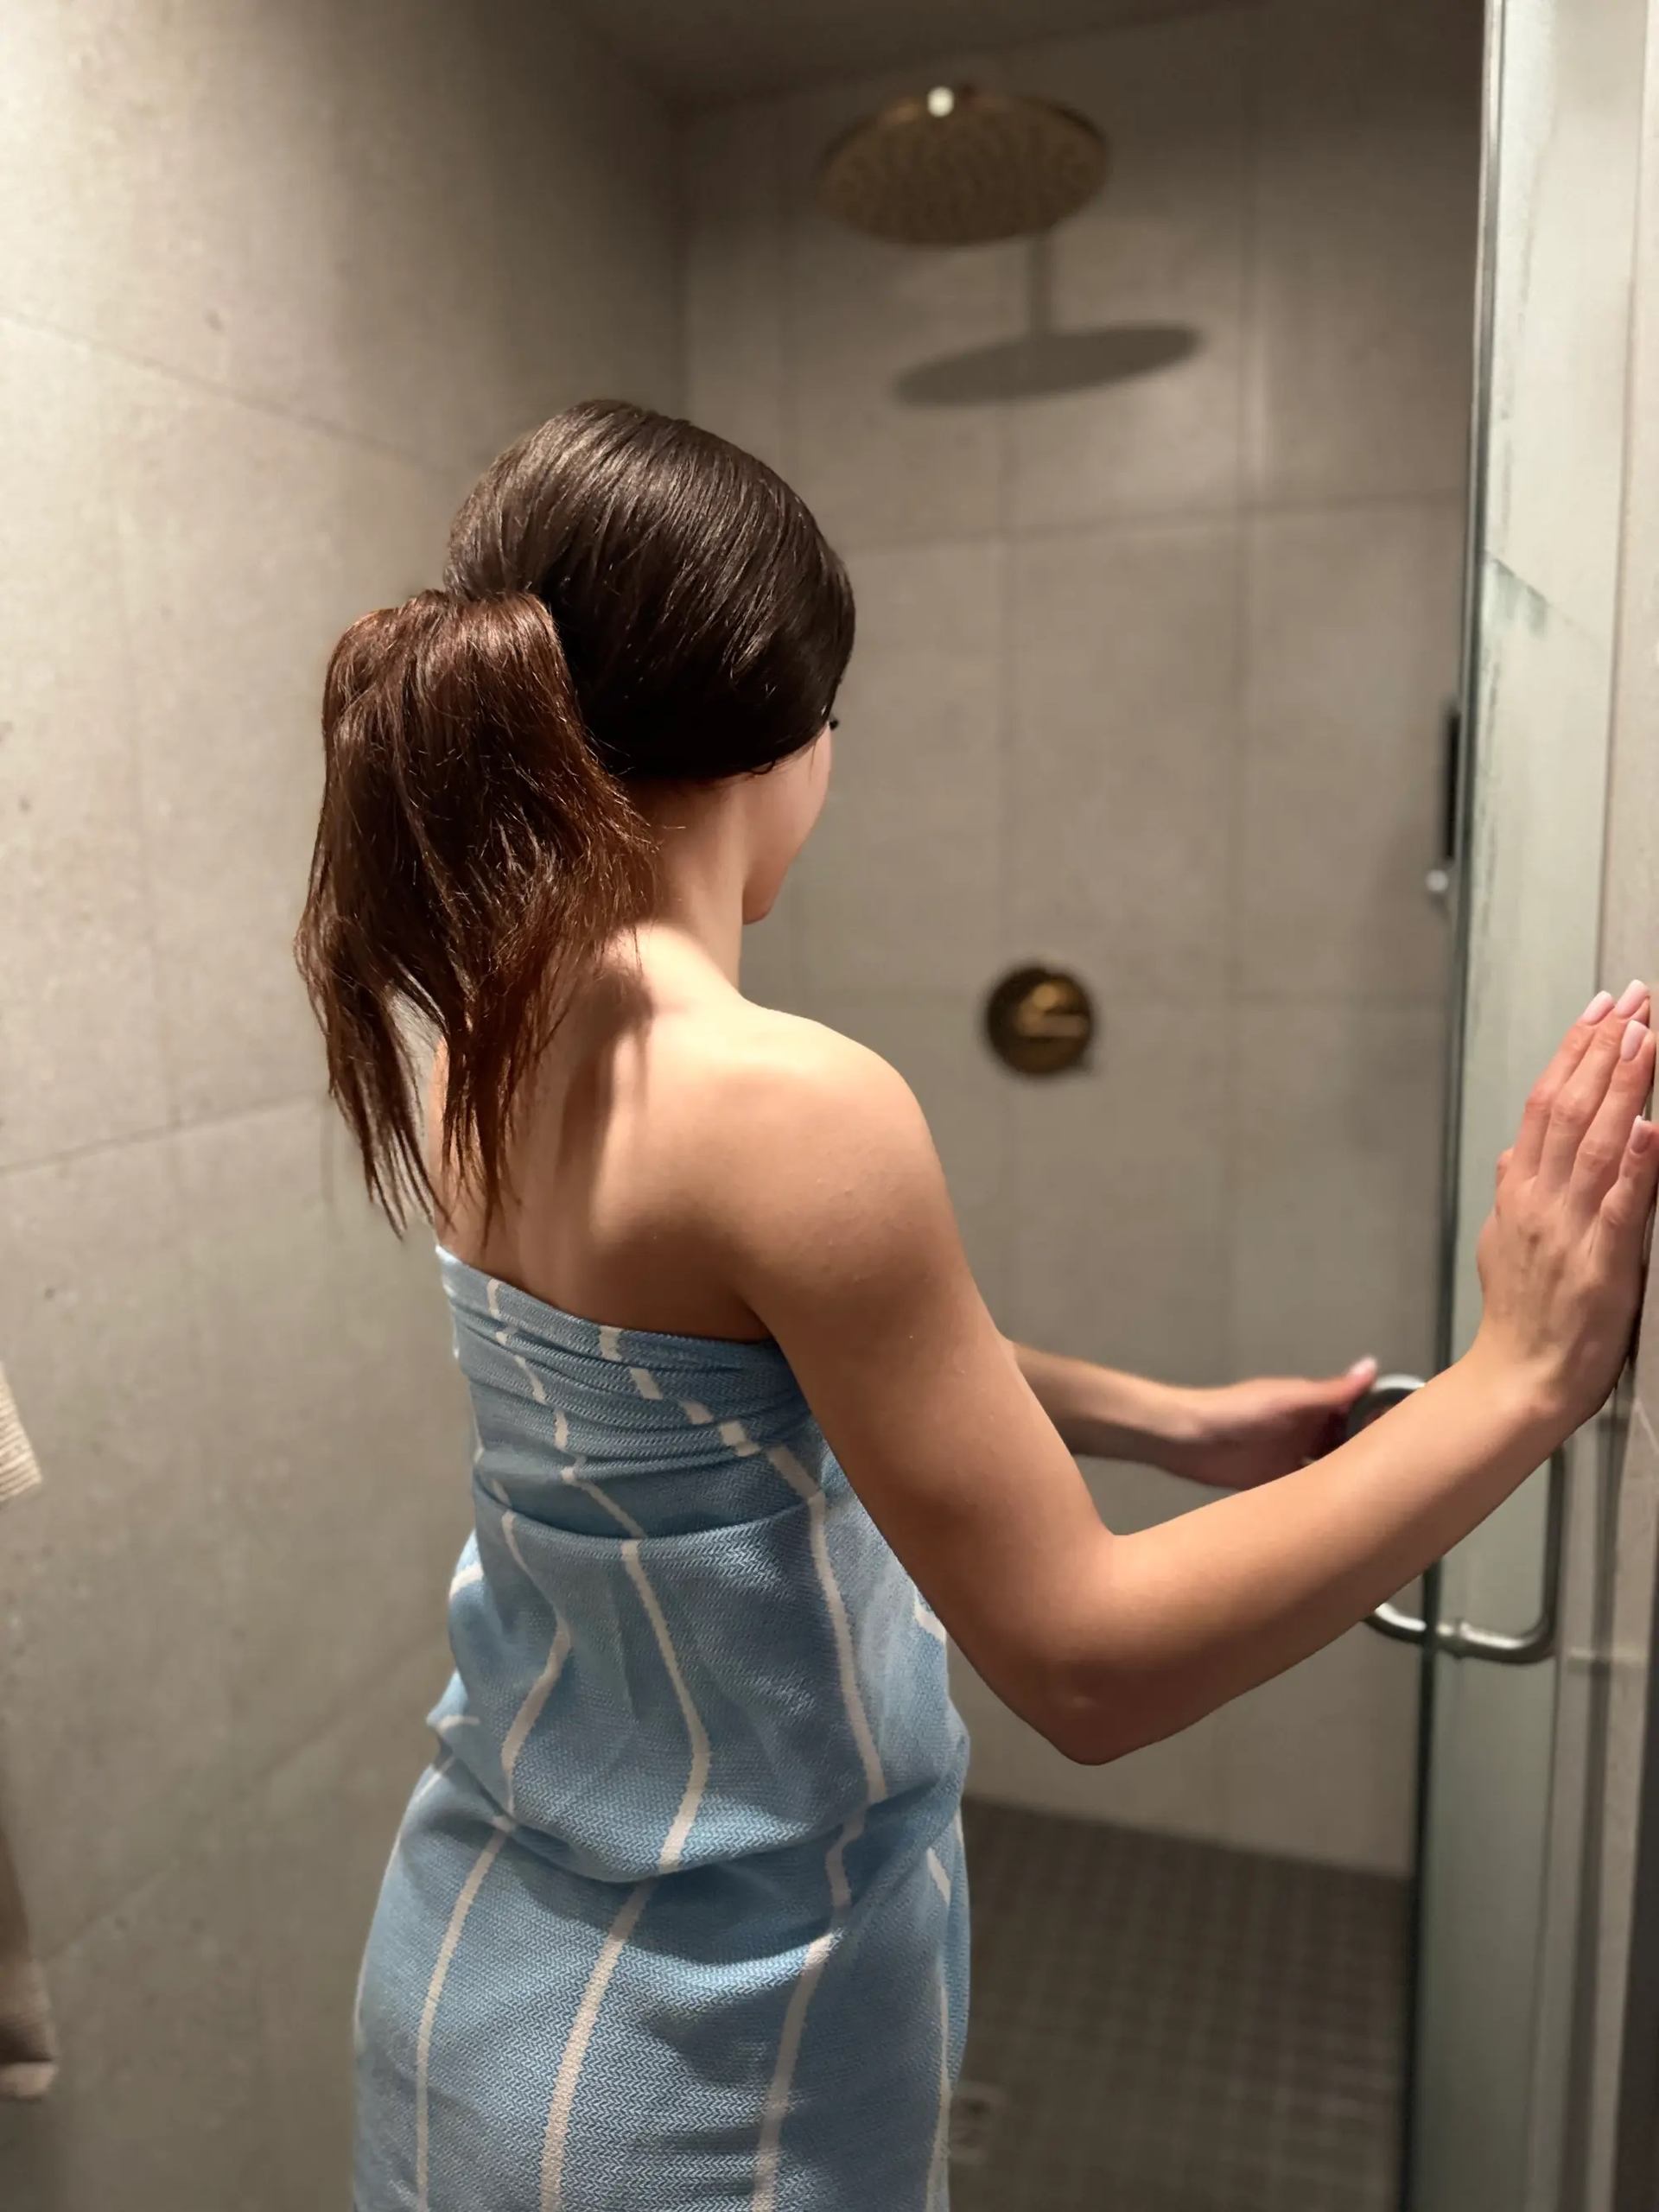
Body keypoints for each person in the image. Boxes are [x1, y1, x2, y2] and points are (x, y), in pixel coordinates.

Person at [296, 400, 1657, 2212]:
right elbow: (1091, 1661)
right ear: (788, 730)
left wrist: (1168, 1419)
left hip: (483, 1977)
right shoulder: (788, 1100)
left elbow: (765, 1366)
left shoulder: (491, 1035)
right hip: (693, 2078)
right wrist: (1523, 1373)